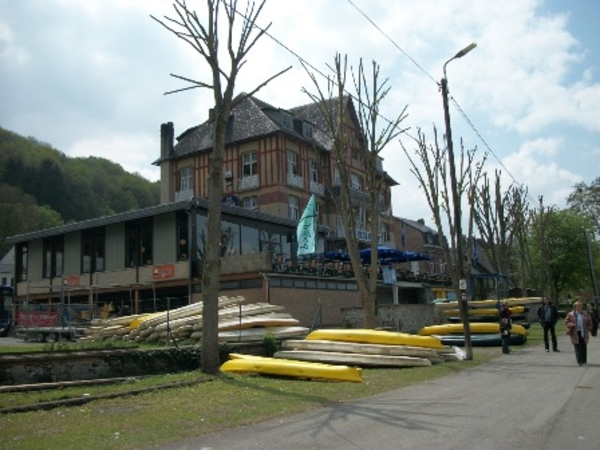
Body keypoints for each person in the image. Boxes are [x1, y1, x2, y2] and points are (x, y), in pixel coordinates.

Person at [564, 301, 592, 366]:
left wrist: (588, 329)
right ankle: (579, 361)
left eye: (580, 306)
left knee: (583, 346)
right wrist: (571, 324)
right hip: (575, 333)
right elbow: (566, 322)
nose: (579, 307)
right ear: (575, 307)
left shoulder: (585, 314)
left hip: (584, 332)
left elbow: (590, 322)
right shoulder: (571, 314)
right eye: (577, 306)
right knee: (577, 346)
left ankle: (584, 360)